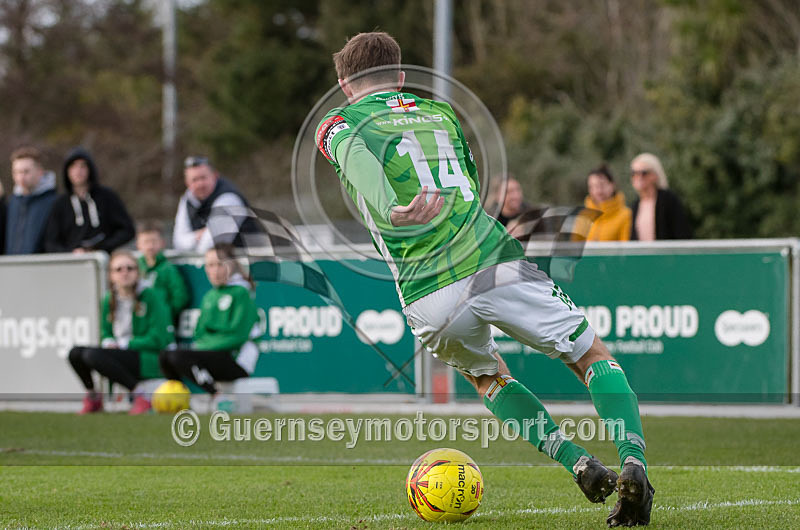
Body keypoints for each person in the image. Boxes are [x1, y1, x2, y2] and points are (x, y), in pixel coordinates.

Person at [316, 32, 654, 527]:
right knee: (590, 355)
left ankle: (577, 462)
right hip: (494, 261)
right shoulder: (442, 113)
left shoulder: (339, 121)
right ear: (403, 77)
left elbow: (353, 155)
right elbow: (471, 188)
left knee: (487, 376)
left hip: (426, 290)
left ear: (345, 85)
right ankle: (633, 459)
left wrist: (390, 206)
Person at [68, 250, 174, 414]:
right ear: (111, 275)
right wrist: (109, 341)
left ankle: (140, 395)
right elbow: (105, 331)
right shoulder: (108, 299)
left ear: (138, 272)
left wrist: (125, 344)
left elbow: (158, 339)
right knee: (75, 353)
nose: (125, 273)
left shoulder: (151, 296)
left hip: (145, 355)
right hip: (119, 353)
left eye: (130, 268)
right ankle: (93, 396)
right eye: (119, 269)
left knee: (92, 355)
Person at [159, 244, 259, 396]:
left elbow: (238, 337)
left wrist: (203, 346)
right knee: (165, 357)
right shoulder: (210, 296)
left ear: (231, 265)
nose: (215, 270)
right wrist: (203, 346)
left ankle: (216, 394)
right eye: (210, 265)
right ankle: (180, 399)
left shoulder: (242, 293)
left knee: (177, 356)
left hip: (236, 361)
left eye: (220, 264)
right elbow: (200, 333)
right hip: (211, 355)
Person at [44, 147, 135, 253]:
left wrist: (103, 247)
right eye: (73, 166)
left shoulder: (107, 197)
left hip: (103, 258)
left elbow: (127, 230)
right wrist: (71, 252)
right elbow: (51, 242)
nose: (78, 171)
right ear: (67, 171)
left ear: (90, 169)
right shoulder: (60, 203)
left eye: (83, 166)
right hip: (72, 259)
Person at [172, 156, 262, 252]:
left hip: (249, 258)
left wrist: (193, 239)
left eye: (203, 178)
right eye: (194, 180)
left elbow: (210, 245)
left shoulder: (229, 198)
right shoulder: (187, 199)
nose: (200, 184)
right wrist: (197, 236)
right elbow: (178, 243)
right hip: (215, 260)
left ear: (215, 176)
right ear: (187, 182)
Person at [4, 146, 58, 254]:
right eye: (16, 172)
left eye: (26, 171)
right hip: (13, 264)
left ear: (40, 172)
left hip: (40, 264)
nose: (21, 177)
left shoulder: (54, 202)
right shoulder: (12, 202)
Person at [629, 153, 691, 240]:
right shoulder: (635, 205)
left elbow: (682, 233)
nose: (638, 177)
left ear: (655, 175)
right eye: (634, 173)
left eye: (644, 173)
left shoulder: (668, 200)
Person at [136, 220, 190, 320]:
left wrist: (165, 313)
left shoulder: (168, 269)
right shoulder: (134, 267)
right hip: (139, 321)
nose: (150, 246)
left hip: (161, 322)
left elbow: (180, 297)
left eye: (154, 241)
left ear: (162, 243)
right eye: (146, 242)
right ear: (138, 245)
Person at [577, 164, 632, 241]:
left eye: (602, 185)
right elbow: (575, 245)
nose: (598, 191)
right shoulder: (583, 216)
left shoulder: (626, 214)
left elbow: (626, 245)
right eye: (593, 186)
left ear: (612, 185)